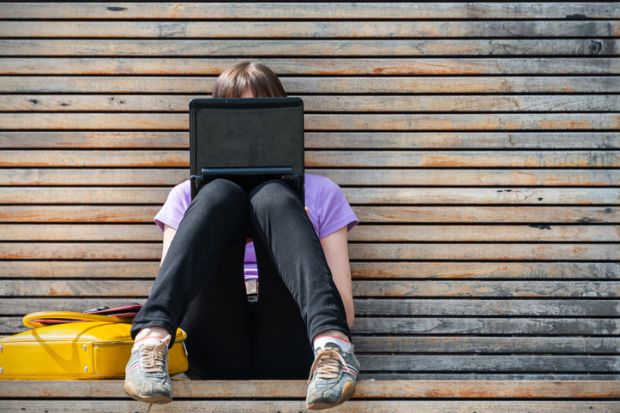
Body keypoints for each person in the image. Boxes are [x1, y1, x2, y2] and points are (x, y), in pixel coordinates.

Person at [123, 61, 361, 410]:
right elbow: (175, 286)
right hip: (213, 343)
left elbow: (347, 310)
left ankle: (334, 350)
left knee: (274, 196)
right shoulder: (187, 197)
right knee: (220, 193)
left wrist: (297, 230)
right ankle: (149, 342)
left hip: (296, 348)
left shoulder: (322, 193)